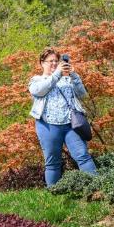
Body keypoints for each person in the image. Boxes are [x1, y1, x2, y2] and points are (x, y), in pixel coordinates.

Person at [28, 48, 96, 186]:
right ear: (42, 63)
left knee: (83, 156)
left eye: (56, 61)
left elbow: (83, 95)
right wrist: (58, 74)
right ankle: (53, 196)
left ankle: (97, 190)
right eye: (50, 61)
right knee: (53, 162)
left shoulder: (67, 79)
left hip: (71, 125)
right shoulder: (37, 80)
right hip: (47, 125)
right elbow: (39, 91)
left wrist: (74, 75)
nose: (54, 63)